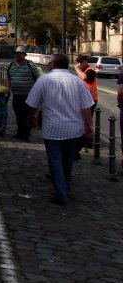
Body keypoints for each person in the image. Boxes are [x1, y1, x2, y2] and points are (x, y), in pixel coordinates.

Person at [25, 53, 94, 206]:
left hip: (53, 127)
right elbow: (86, 106)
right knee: (67, 158)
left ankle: (61, 192)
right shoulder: (77, 81)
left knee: (55, 159)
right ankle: (65, 185)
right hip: (73, 128)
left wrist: (31, 118)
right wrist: (89, 125)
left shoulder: (44, 80)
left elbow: (32, 103)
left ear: (54, 64)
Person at [6, 46, 40, 140]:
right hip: (16, 95)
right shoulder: (11, 65)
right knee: (18, 114)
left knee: (26, 114)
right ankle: (20, 131)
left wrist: (37, 90)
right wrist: (8, 88)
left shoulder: (30, 65)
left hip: (28, 95)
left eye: (20, 54)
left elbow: (38, 77)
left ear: (24, 55)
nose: (18, 56)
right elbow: (8, 78)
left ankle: (26, 133)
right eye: (17, 54)